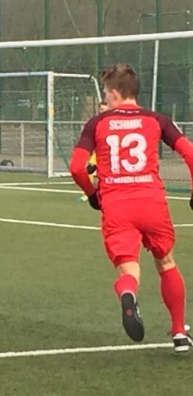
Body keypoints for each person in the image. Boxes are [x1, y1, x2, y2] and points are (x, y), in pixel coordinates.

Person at [70, 63, 193, 352]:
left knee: (128, 267)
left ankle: (128, 293)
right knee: (166, 262)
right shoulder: (156, 119)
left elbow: (76, 167)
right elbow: (190, 153)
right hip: (152, 202)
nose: (105, 98)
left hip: (117, 205)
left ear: (114, 93)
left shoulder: (97, 123)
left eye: (105, 93)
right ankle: (178, 332)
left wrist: (92, 195)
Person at [77, 100, 109, 202]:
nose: (103, 111)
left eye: (105, 109)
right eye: (101, 109)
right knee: (89, 170)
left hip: (111, 153)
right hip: (98, 152)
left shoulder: (112, 122)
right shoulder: (95, 122)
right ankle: (88, 193)